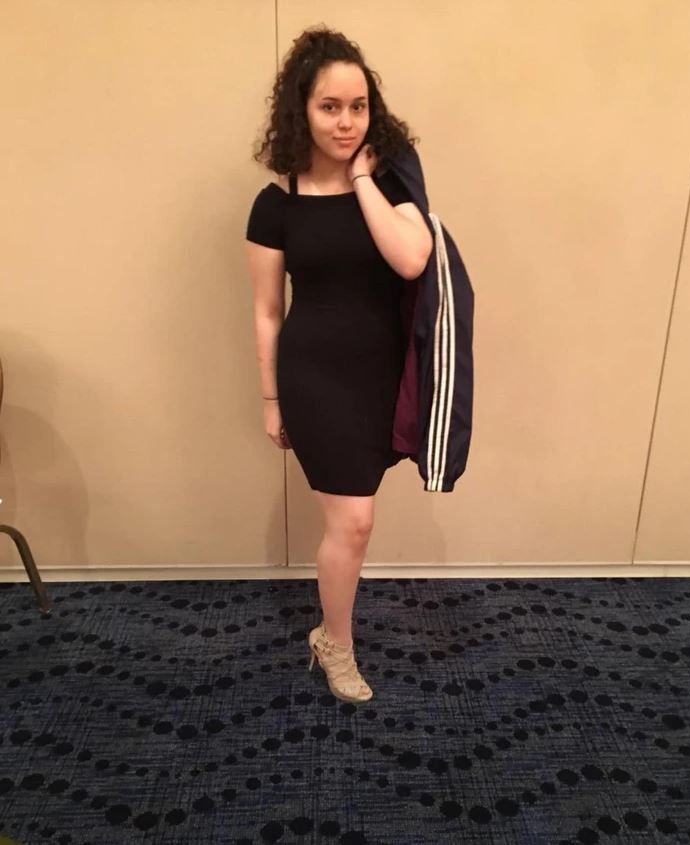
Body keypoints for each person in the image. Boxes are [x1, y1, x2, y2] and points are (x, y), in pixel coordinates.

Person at [245, 26, 433, 703]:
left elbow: (411, 259)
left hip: (378, 376)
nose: (346, 121)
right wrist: (271, 399)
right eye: (330, 107)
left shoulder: (390, 182)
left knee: (356, 518)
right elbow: (268, 310)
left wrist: (360, 179)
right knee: (353, 520)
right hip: (315, 377)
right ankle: (335, 643)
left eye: (358, 106)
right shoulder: (276, 205)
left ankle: (332, 632)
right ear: (302, 110)